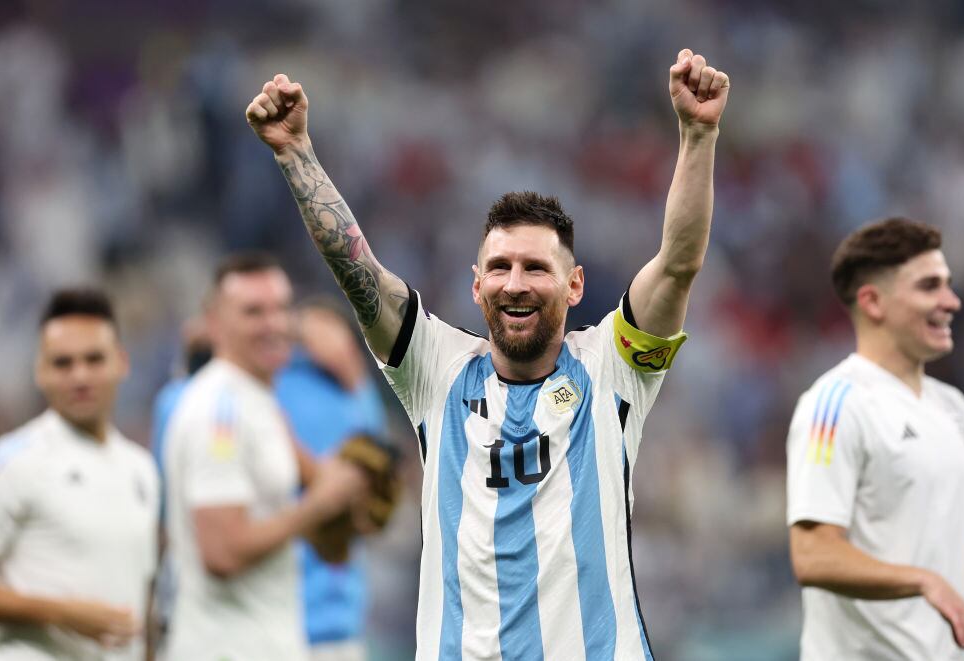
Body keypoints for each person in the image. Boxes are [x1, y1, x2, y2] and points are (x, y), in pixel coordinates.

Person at [247, 47, 728, 658]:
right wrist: (295, 153)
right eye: (499, 267)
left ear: (574, 284)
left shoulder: (615, 369)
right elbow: (355, 266)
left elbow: (679, 265)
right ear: (476, 285)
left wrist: (699, 134)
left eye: (536, 268)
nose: (516, 283)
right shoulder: (434, 370)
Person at [786, 218, 964, 661]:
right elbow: (812, 553)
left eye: (949, 285)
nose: (951, 301)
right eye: (929, 287)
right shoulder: (834, 405)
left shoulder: (952, 408)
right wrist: (923, 580)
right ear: (873, 302)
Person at [160, 253, 369, 661]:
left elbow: (320, 479)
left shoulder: (257, 398)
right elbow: (221, 552)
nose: (274, 324)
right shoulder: (218, 411)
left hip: (263, 640)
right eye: (253, 312)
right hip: (226, 647)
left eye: (281, 309)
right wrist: (318, 507)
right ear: (215, 324)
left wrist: (351, 485)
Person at [0, 288, 159, 660]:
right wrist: (61, 612)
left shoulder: (142, 469)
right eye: (63, 363)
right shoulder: (13, 460)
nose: (80, 376)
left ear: (122, 362)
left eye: (94, 359)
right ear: (40, 371)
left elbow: (140, 594)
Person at [275, 300, 388, 661]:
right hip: (269, 618)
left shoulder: (356, 393)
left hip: (339, 620)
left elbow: (378, 479)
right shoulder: (266, 383)